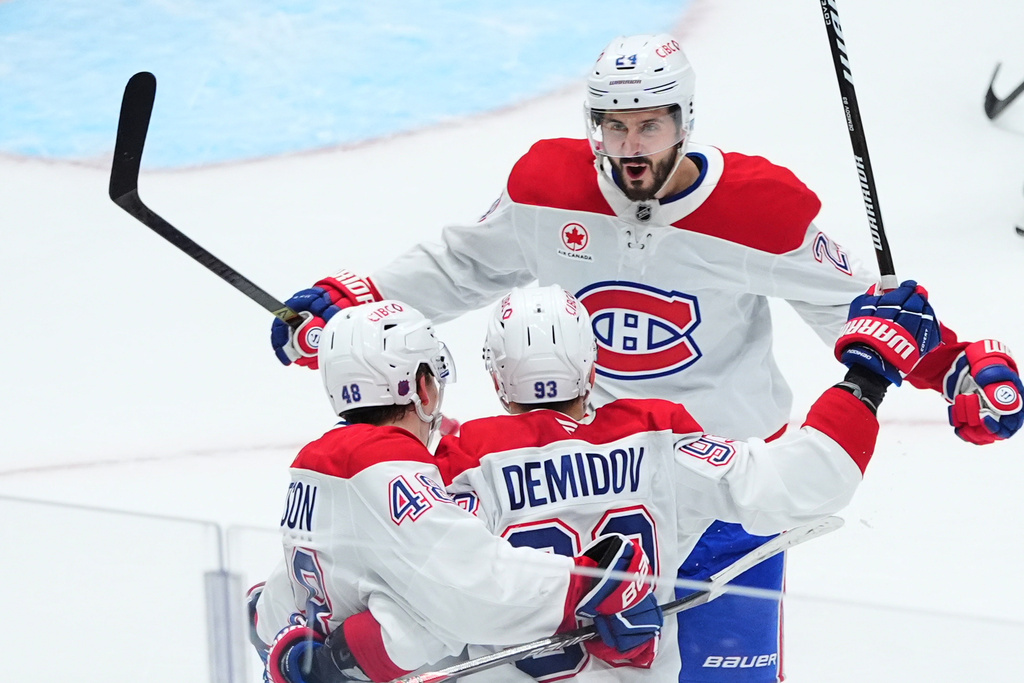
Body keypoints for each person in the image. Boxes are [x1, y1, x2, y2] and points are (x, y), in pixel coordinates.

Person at [268, 33, 1024, 683]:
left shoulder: (757, 208)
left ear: (684, 120)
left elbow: (861, 308)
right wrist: (357, 307)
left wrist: (957, 370)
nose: (631, 147)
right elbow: (461, 264)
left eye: (650, 126)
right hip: (595, 478)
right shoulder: (548, 188)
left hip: (729, 490)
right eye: (615, 126)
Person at [432, 282, 938, 682]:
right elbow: (808, 479)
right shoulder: (656, 438)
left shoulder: (466, 461)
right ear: (591, 367)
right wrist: (867, 378)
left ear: (497, 379)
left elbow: (432, 598)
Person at [251, 300, 663, 683]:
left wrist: (295, 651)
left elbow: (277, 607)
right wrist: (589, 585)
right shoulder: (383, 465)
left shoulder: (317, 467)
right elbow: (466, 589)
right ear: (422, 388)